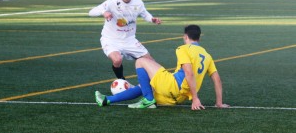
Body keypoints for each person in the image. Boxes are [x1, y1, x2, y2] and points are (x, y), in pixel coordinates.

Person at [95, 24, 230, 110]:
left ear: (185, 37)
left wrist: (195, 98)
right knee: (146, 86)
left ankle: (148, 100)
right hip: (178, 98)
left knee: (141, 61)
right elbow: (217, 79)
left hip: (173, 86)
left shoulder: (184, 48)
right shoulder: (207, 55)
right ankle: (106, 100)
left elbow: (189, 73)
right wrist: (219, 103)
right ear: (199, 38)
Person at [89, 0, 161, 80]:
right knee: (117, 60)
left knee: (151, 61)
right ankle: (122, 81)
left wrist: (152, 19)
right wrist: (103, 12)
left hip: (129, 40)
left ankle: (158, 84)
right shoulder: (111, 2)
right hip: (111, 39)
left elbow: (145, 14)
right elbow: (91, 12)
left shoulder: (138, 3)